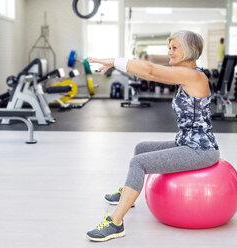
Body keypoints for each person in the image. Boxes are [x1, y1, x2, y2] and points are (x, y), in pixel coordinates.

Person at [86, 30, 220, 242]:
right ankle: (128, 197)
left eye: (174, 48)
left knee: (138, 162)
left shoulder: (193, 76)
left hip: (200, 150)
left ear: (188, 50)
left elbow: (149, 71)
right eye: (169, 48)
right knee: (141, 148)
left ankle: (115, 222)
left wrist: (114, 61)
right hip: (185, 142)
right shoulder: (187, 74)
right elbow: (150, 71)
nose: (170, 52)